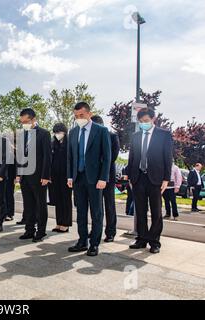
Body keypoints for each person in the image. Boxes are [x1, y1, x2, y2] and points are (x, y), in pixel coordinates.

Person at [67, 102, 111, 257]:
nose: (78, 118)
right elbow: (70, 157)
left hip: (95, 179)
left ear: (89, 114)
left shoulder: (101, 131)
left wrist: (103, 178)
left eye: (81, 115)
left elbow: (107, 157)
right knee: (80, 212)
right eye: (76, 116)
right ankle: (82, 241)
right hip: (78, 178)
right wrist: (70, 176)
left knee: (96, 212)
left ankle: (94, 244)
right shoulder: (72, 133)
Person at [127, 108, 173, 254]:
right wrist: (130, 176)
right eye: (140, 122)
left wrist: (166, 178)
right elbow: (132, 157)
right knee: (140, 211)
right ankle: (141, 239)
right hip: (138, 178)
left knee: (156, 212)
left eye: (146, 121)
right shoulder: (135, 136)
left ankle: (154, 242)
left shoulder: (164, 135)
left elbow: (168, 157)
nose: (143, 124)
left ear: (153, 119)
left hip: (156, 179)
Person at [17, 108, 52, 243]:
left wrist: (45, 176)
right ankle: (29, 230)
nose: (23, 124)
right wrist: (18, 174)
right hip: (25, 176)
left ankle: (41, 231)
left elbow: (47, 157)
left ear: (33, 119)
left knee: (40, 204)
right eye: (22, 122)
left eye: (26, 121)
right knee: (28, 204)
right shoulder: (22, 135)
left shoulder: (44, 133)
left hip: (39, 177)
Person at [91, 115, 120, 243]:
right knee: (95, 206)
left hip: (108, 176)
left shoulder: (112, 136)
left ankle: (110, 232)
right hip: (93, 177)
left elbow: (112, 156)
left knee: (109, 205)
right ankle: (95, 230)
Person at [48, 123, 72, 233]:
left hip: (66, 176)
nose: (57, 134)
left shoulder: (69, 143)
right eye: (55, 132)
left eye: (59, 132)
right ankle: (59, 222)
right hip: (55, 176)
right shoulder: (53, 144)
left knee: (65, 199)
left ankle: (66, 224)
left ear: (64, 132)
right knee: (58, 200)